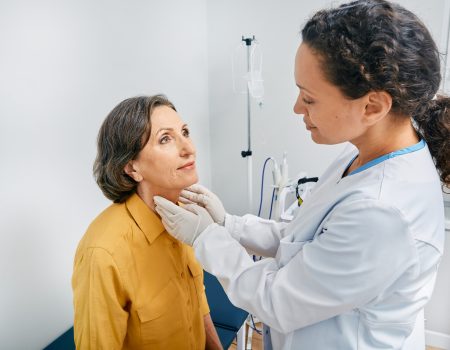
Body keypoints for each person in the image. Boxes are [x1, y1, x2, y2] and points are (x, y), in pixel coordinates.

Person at [154, 1, 450, 349]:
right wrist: (229, 225)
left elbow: (277, 301)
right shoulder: (363, 153)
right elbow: (305, 242)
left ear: (372, 106)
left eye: (309, 98)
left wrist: (206, 238)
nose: (297, 108)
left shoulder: (385, 212)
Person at [72, 95, 222, 350]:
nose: (188, 148)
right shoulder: (103, 253)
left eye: (185, 132)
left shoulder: (183, 215)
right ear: (132, 168)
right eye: (166, 138)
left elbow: (198, 302)